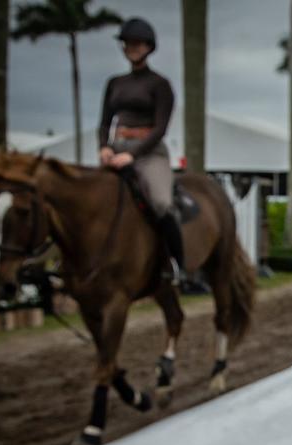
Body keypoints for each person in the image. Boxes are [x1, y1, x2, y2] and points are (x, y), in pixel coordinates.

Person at [97, 17, 186, 283]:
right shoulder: (115, 83)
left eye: (138, 43)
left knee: (161, 203)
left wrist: (132, 155)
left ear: (149, 47)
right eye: (128, 43)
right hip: (116, 148)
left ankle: (176, 263)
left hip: (149, 152)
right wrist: (104, 147)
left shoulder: (160, 84)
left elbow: (160, 128)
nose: (132, 48)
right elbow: (103, 122)